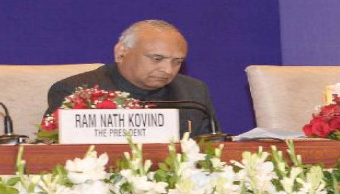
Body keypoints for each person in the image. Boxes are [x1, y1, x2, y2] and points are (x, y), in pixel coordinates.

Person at [43, 19, 219, 137]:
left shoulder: (193, 93)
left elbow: (213, 152)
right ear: (121, 53)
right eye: (157, 58)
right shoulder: (75, 91)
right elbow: (51, 154)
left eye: (177, 61)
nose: (168, 70)